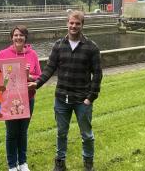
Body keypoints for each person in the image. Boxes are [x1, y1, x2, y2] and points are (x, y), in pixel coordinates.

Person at [28, 11, 102, 171]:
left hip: (82, 100)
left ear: (82, 25)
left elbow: (97, 75)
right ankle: (60, 163)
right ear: (67, 24)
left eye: (77, 23)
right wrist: (37, 83)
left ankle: (88, 165)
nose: (74, 26)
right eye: (71, 23)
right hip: (61, 98)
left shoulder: (91, 47)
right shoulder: (58, 45)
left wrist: (91, 98)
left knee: (87, 135)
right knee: (61, 133)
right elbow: (49, 69)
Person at [0, 25, 42, 171]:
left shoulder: (32, 54)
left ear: (25, 38)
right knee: (11, 132)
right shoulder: (3, 54)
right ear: (11, 38)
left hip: (28, 99)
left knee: (23, 131)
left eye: (21, 35)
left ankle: (22, 162)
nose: (18, 38)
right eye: (15, 35)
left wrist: (29, 77)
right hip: (9, 101)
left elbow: (39, 77)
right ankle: (12, 165)